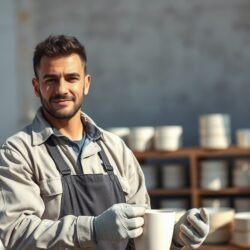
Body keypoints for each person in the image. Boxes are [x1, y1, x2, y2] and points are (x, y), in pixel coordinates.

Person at [0, 34, 209, 249]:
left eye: (72, 78)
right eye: (51, 80)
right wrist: (91, 229)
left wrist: (175, 236)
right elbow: (14, 233)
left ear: (86, 84)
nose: (62, 89)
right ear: (36, 87)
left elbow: (141, 235)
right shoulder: (19, 153)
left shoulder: (116, 149)